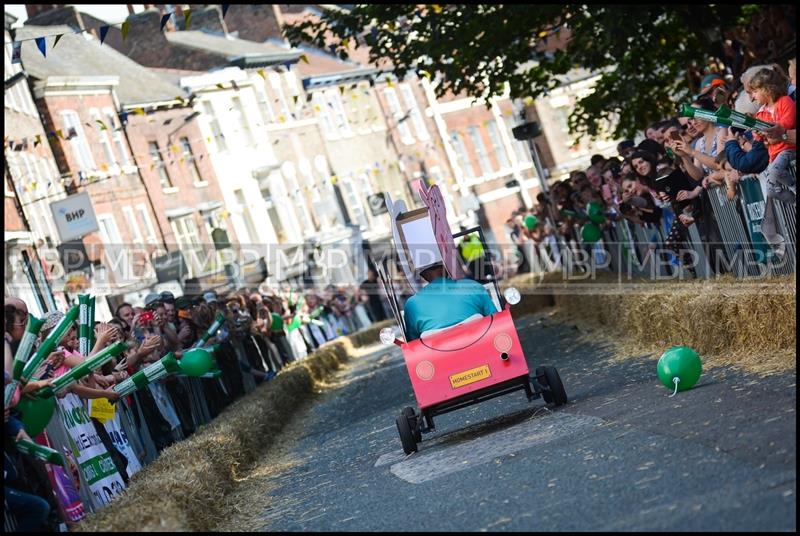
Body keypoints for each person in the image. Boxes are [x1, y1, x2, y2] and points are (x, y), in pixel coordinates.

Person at [403, 262, 497, 341]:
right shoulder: (472, 286)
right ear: (446, 268)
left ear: (423, 275)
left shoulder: (412, 304)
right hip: (482, 344)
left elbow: (413, 343)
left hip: (439, 358)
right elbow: (495, 318)